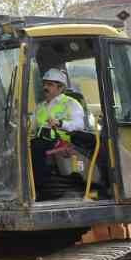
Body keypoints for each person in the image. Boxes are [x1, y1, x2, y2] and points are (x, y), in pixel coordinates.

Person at [30, 68, 88, 196]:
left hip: (63, 142)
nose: (45, 87)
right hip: (42, 141)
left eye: (50, 84)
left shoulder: (71, 104)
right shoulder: (40, 106)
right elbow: (31, 126)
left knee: (36, 147)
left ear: (61, 87)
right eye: (44, 84)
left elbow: (79, 125)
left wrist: (61, 123)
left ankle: (40, 187)